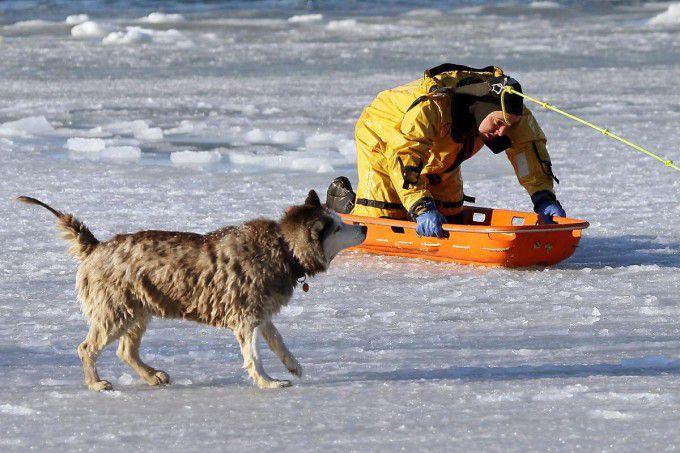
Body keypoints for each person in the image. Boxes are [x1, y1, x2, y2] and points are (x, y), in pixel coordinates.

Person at [326, 63, 565, 238]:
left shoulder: (509, 110)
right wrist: (421, 206)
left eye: (508, 125)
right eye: (498, 123)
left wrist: (542, 196)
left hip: (441, 149)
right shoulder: (431, 107)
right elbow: (406, 154)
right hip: (385, 134)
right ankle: (344, 204)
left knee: (450, 214)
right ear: (481, 112)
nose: (503, 132)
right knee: (385, 218)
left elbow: (528, 150)